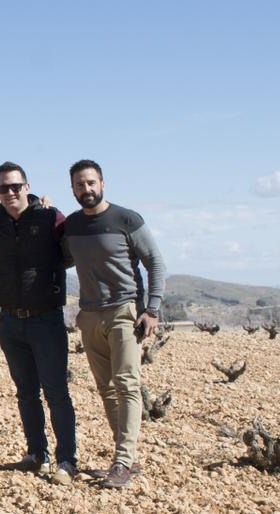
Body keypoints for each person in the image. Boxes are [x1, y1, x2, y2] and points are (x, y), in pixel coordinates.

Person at [63, 159, 166, 489]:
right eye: (80, 185)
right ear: (73, 189)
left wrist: (152, 308)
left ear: (102, 183)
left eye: (91, 183)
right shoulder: (73, 225)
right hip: (89, 314)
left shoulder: (126, 219)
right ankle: (126, 459)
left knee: (127, 384)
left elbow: (155, 263)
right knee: (107, 388)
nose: (86, 189)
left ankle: (122, 461)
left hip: (124, 311)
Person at [0, 162, 77, 485]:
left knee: (56, 392)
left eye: (15, 187)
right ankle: (37, 453)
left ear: (27, 186)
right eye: (3, 188)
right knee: (25, 393)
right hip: (10, 321)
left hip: (46, 319)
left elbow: (72, 253)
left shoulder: (51, 217)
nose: (10, 193)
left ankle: (66, 460)